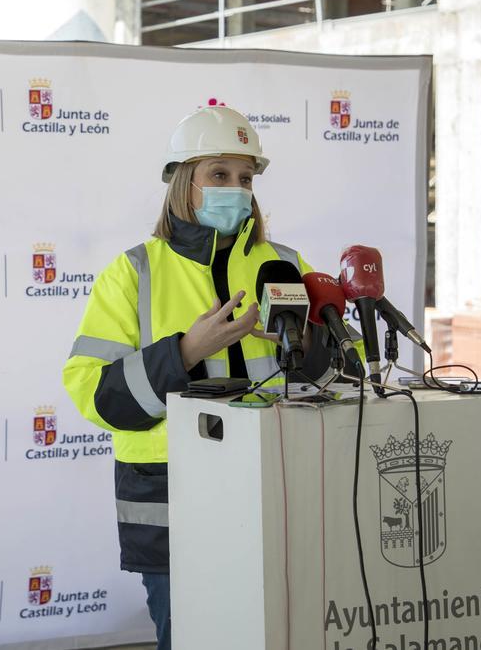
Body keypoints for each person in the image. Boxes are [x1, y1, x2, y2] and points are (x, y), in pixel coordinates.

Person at [62, 106, 314, 649]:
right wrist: (183, 352)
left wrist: (308, 349)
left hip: (279, 493)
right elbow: (93, 392)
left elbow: (345, 374)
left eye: (245, 178)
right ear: (183, 183)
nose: (236, 189)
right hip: (175, 505)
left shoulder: (286, 265)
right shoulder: (134, 270)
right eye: (219, 174)